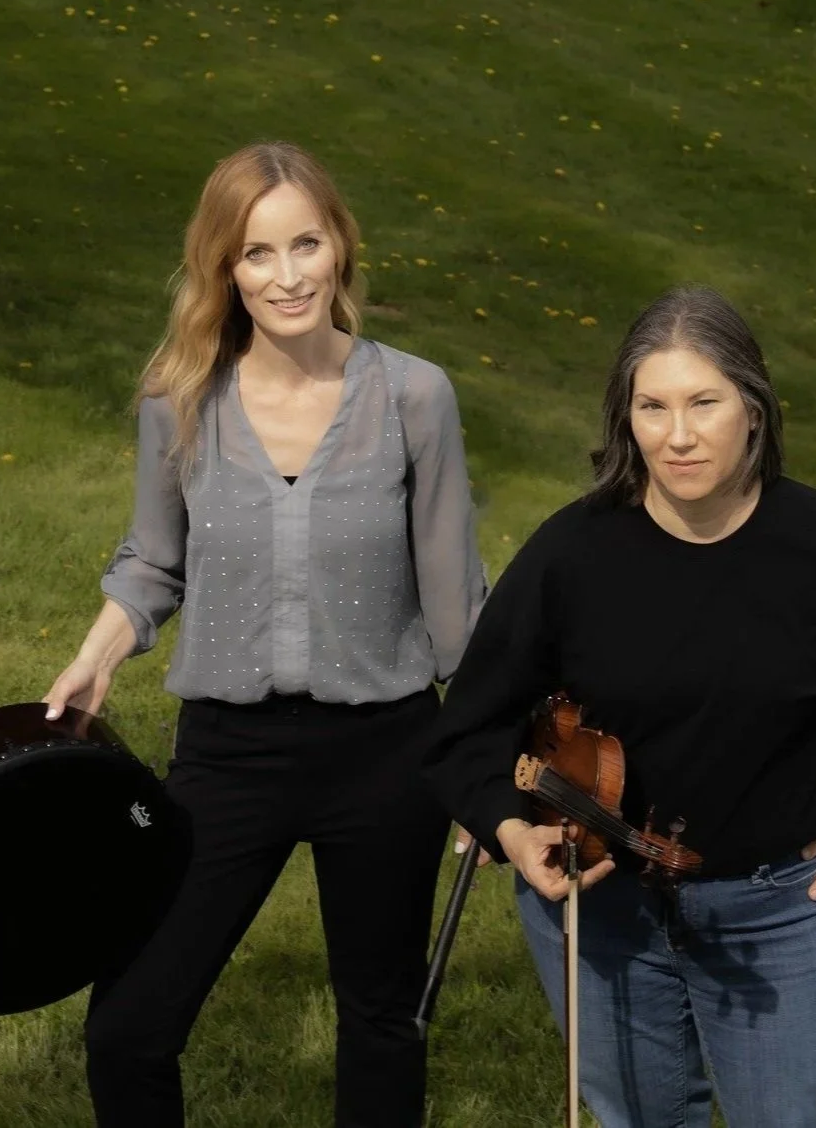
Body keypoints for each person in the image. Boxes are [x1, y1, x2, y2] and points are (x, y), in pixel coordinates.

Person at [42, 140, 486, 1127]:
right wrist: (95, 653)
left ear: (340, 249)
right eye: (256, 253)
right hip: (227, 753)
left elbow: (456, 601)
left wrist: (485, 762)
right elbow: (155, 561)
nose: (286, 276)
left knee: (382, 1018)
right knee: (130, 1026)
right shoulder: (179, 398)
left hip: (386, 752)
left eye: (305, 244)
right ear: (223, 267)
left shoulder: (415, 395)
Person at [424, 285, 816, 1128]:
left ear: (752, 410)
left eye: (702, 403)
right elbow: (470, 725)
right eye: (652, 406)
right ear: (625, 417)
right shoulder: (571, 555)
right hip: (598, 906)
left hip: (777, 912)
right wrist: (507, 825)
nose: (676, 436)